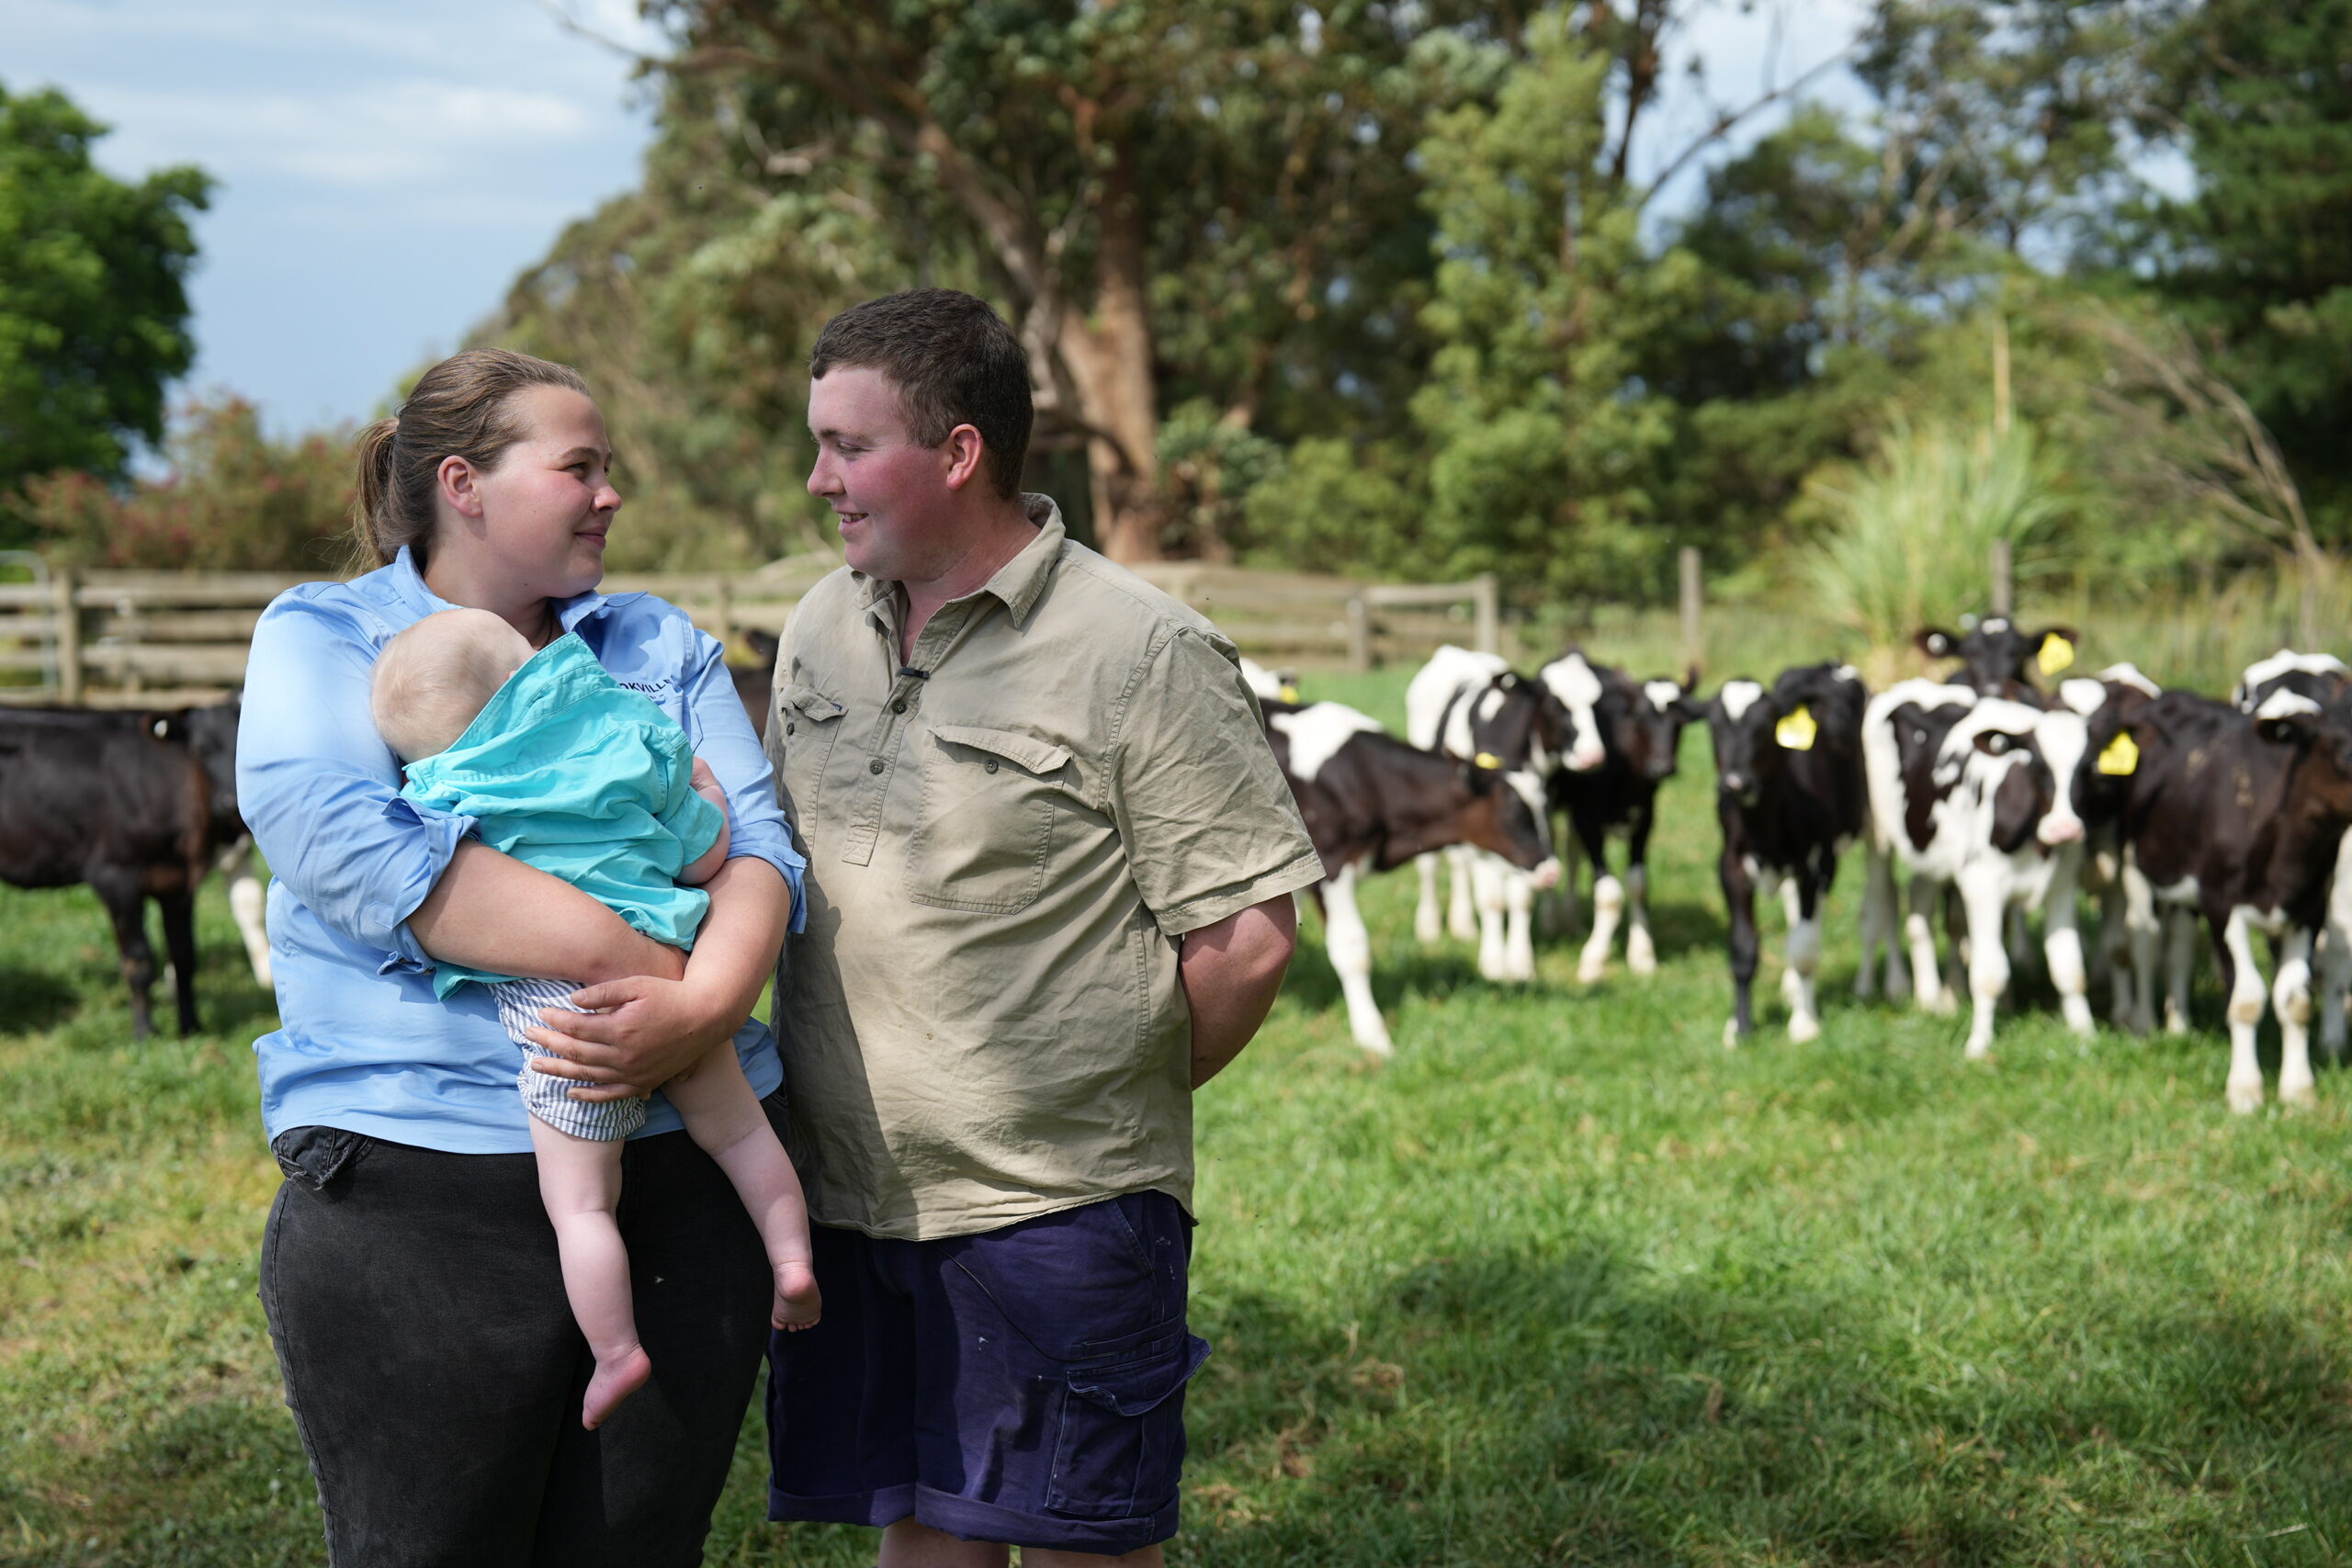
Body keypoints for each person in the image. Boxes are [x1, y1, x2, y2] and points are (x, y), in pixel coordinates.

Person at [763, 288, 1323, 1566]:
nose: (818, 478)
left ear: (959, 453)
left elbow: (1246, 939)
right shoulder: (817, 627)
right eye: (818, 441)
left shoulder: (1140, 648)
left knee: (1084, 1547)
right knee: (919, 1543)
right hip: (849, 1199)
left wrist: (1087, 1100)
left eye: (850, 446)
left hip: (1054, 1216)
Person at [239, 347, 805, 1566]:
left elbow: (761, 849)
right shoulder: (327, 636)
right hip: (419, 1184)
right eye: (580, 467)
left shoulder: (655, 641)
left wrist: (707, 1003)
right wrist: (659, 969)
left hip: (681, 1175)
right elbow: (362, 853)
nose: (612, 494)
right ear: (466, 482)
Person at [370, 607, 821, 1434]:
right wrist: (707, 798)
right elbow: (705, 856)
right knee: (744, 1135)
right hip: (674, 976)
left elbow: (417, 876)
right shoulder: (625, 738)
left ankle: (616, 1351)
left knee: (581, 1204)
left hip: (563, 1013)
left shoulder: (443, 786)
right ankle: (791, 1260)